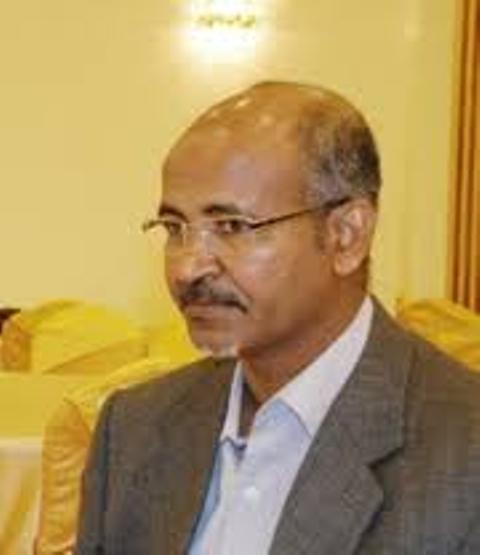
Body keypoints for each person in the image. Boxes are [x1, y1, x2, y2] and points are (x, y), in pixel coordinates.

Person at [75, 82, 480, 554]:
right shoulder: (133, 430)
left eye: (232, 227)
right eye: (174, 228)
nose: (187, 267)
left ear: (346, 236)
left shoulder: (463, 451)